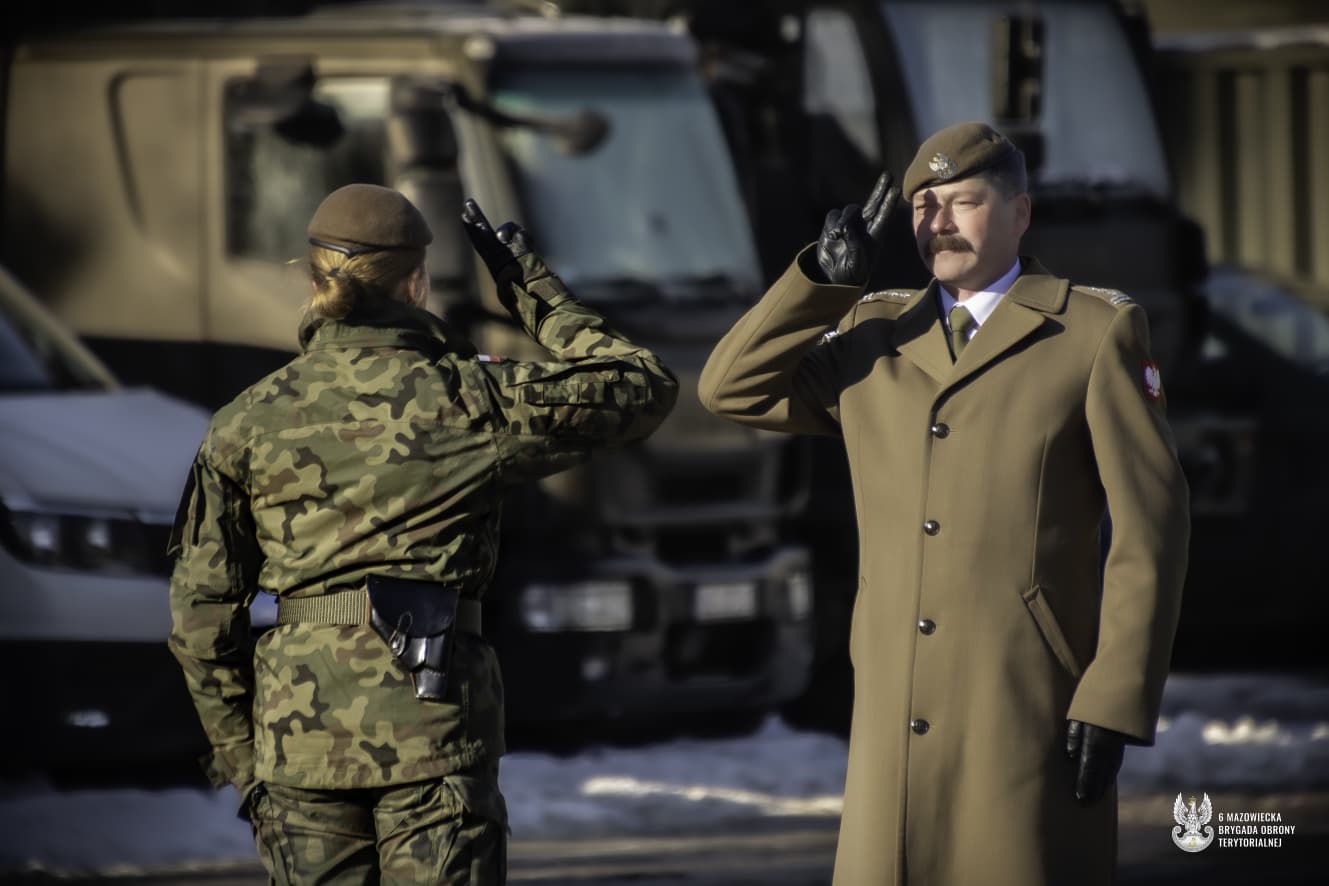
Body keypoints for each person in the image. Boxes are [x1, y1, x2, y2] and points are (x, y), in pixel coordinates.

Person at [699, 122, 1190, 885]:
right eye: (924, 206)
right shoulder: (871, 331)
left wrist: (1113, 694)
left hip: (1024, 699)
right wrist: (818, 288)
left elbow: (1150, 524)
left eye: (962, 202)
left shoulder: (1091, 331)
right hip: (895, 702)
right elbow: (730, 389)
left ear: (1019, 212)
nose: (938, 224)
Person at [167, 183, 677, 884]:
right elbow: (639, 384)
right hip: (430, 728)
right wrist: (525, 285)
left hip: (298, 746)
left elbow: (199, 619)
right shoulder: (469, 399)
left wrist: (245, 762)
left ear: (314, 279)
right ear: (416, 282)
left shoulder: (245, 421)